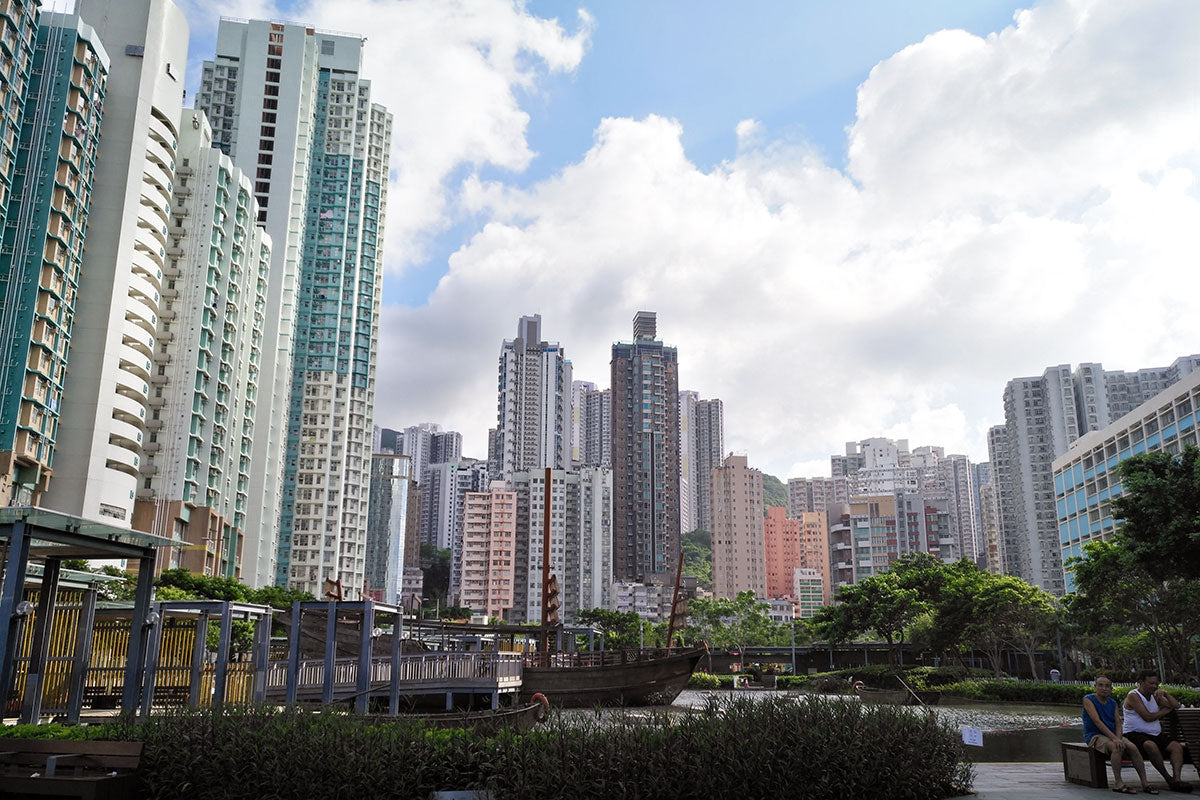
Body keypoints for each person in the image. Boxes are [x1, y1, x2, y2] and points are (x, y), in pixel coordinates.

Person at [1124, 669, 1194, 793]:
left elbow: (1176, 706)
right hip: (1134, 733)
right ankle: (1168, 779)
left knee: (1176, 746)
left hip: (1155, 734)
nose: (1154, 686)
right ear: (1141, 682)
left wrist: (1166, 694)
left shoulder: (1154, 695)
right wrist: (1166, 711)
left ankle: (1177, 780)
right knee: (1151, 745)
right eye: (1151, 683)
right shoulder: (1133, 695)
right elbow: (1148, 717)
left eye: (1156, 683)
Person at [1083, 675, 1152, 794]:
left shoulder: (1112, 702)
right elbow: (1097, 721)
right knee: (1117, 747)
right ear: (1095, 687)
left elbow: (1118, 723)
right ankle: (1118, 782)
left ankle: (1145, 782)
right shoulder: (1088, 699)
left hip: (1113, 735)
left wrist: (1119, 738)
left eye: (1107, 686)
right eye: (1100, 685)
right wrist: (1115, 739)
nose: (1104, 688)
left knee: (1133, 748)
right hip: (1095, 735)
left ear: (1111, 688)